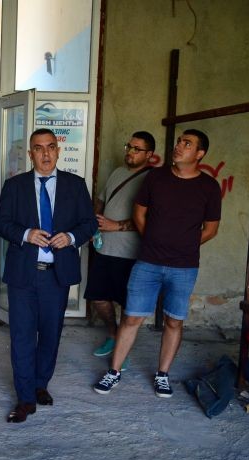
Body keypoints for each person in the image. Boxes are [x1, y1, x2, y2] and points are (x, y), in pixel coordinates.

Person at [93, 129, 221, 398]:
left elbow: (210, 230)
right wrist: (151, 240)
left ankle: (162, 375)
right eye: (179, 141)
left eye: (187, 144)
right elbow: (139, 214)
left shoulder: (209, 187)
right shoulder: (156, 177)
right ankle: (114, 372)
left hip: (184, 266)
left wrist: (184, 246)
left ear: (200, 154)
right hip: (148, 261)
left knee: (174, 321)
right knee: (132, 317)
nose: (179, 146)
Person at [0, 128, 96, 423]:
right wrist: (26, 234)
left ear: (58, 151)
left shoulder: (75, 185)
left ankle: (40, 384)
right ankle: (25, 399)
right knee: (22, 336)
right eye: (39, 148)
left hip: (55, 275)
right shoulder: (15, 186)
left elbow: (89, 223)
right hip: (23, 275)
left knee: (50, 335)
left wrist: (71, 237)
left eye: (51, 147)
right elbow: (0, 222)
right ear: (30, 154)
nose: (46, 153)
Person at [84, 132, 155, 367]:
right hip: (105, 248)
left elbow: (154, 219)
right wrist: (94, 223)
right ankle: (114, 335)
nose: (130, 152)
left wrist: (116, 226)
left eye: (137, 149)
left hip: (131, 253)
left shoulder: (153, 179)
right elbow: (101, 200)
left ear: (149, 154)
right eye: (129, 146)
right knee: (98, 297)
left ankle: (122, 351)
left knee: (128, 303)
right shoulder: (117, 172)